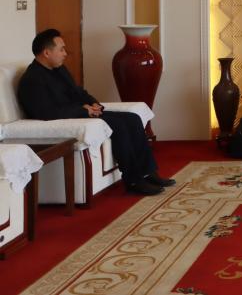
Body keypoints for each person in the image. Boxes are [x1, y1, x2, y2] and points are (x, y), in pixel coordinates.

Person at [16, 29, 175, 196]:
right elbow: (47, 112)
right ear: (47, 52)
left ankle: (148, 173)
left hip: (82, 113)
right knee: (119, 125)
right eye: (61, 49)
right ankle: (134, 181)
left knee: (132, 119)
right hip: (71, 117)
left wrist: (93, 103)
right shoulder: (32, 79)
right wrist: (83, 111)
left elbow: (78, 92)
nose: (65, 53)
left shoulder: (59, 69)